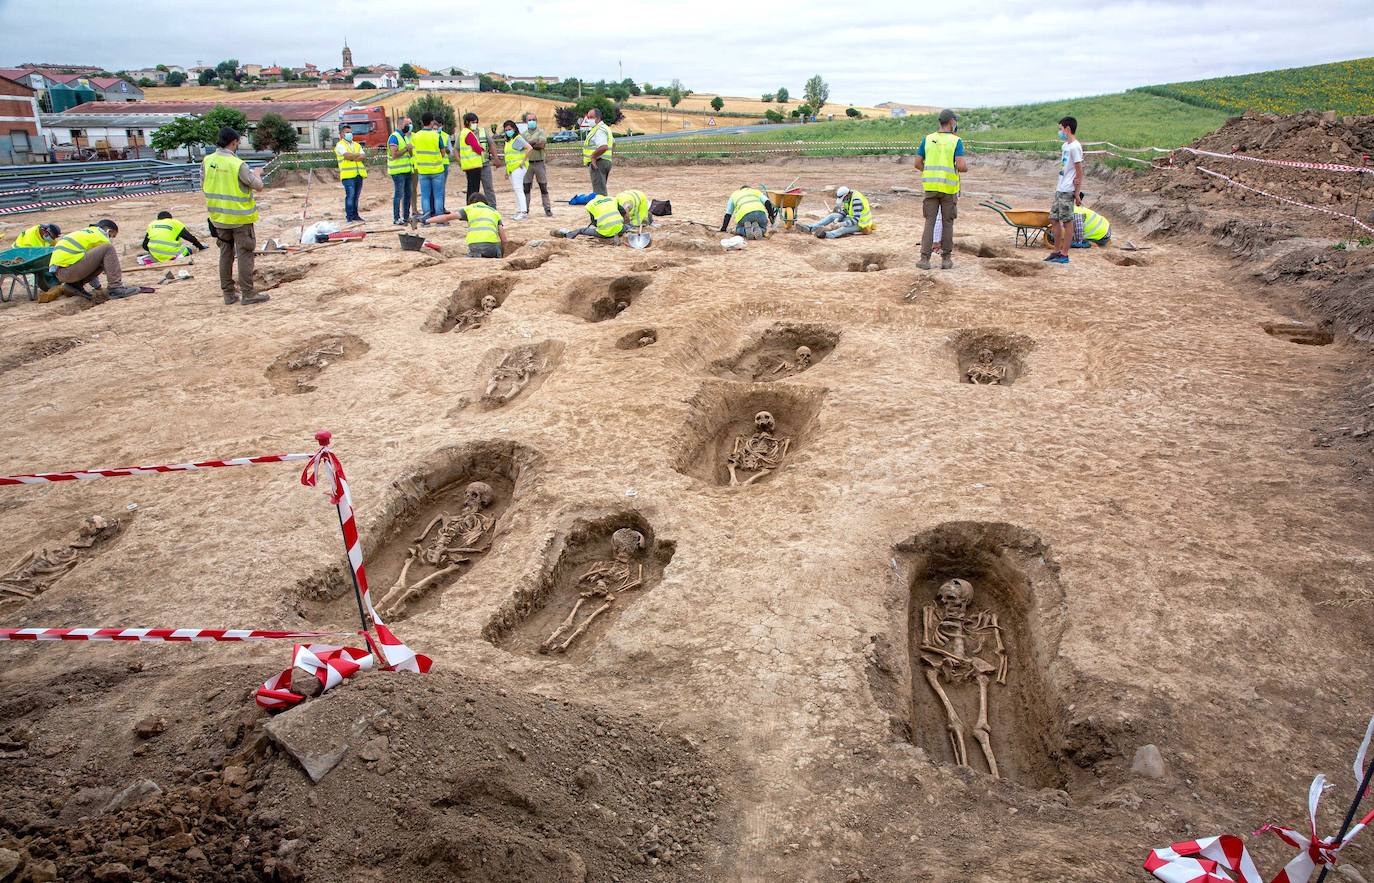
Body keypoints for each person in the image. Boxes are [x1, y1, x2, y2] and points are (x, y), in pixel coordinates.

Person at [203, 126, 268, 305]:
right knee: (245, 253)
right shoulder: (237, 164)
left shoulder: (207, 160)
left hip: (218, 217)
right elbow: (258, 185)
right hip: (240, 218)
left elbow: (204, 183)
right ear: (233, 142)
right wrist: (257, 174)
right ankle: (248, 293)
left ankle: (228, 294)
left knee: (225, 254)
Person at [915, 109, 968, 270]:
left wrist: (930, 172)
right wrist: (964, 168)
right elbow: (961, 166)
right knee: (947, 223)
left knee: (929, 223)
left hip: (930, 187)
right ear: (952, 122)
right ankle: (946, 259)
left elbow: (917, 163)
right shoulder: (955, 141)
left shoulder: (928, 139)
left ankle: (924, 259)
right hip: (948, 189)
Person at [46, 219, 138, 300]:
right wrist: (99, 287)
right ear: (108, 231)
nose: (111, 238)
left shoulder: (88, 233)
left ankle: (74, 285)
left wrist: (97, 287)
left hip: (61, 272)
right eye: (112, 236)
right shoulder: (100, 237)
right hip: (68, 270)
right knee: (108, 249)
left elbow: (90, 263)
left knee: (103, 256)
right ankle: (116, 287)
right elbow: (95, 262)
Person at [424, 193, 508, 258]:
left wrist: (426, 220)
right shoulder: (494, 212)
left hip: (475, 247)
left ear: (470, 202)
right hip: (492, 248)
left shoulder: (469, 209)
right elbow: (504, 240)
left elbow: (446, 217)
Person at [1047, 115, 1083, 265]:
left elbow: (1079, 171)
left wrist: (1076, 193)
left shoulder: (1075, 147)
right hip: (1060, 187)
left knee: (1067, 222)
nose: (1059, 132)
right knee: (1053, 219)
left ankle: (1065, 254)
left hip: (1068, 190)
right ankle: (1056, 251)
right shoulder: (1065, 146)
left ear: (1067, 128)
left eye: (1060, 129)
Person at [800, 186, 874, 239]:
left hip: (862, 224)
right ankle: (811, 228)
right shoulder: (848, 197)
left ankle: (826, 235)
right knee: (833, 216)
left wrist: (841, 224)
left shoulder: (856, 200)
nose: (843, 201)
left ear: (847, 195)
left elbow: (856, 220)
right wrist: (838, 218)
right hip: (853, 220)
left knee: (843, 229)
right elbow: (846, 210)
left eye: (843, 199)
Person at [412, 113, 446, 221]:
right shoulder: (436, 135)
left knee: (425, 196)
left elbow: (414, 151)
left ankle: (426, 219)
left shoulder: (416, 136)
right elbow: (443, 153)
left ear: (422, 122)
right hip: (437, 170)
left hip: (423, 170)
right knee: (438, 196)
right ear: (432, 122)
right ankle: (439, 219)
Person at [521, 112, 553, 217]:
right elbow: (522, 146)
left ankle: (547, 208)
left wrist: (528, 144)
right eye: (529, 120)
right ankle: (525, 209)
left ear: (536, 121)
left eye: (533, 119)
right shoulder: (523, 134)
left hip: (539, 162)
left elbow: (542, 145)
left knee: (543, 186)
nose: (531, 122)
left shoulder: (541, 132)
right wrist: (534, 142)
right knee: (526, 187)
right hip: (527, 163)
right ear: (526, 122)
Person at [141, 210, 207, 262]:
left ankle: (155, 258)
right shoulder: (174, 222)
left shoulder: (152, 224)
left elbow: (144, 244)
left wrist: (153, 252)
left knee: (157, 256)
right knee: (190, 249)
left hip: (155, 254)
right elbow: (190, 238)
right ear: (171, 218)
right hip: (172, 253)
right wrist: (200, 247)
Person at [335, 123, 367, 223]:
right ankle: (349, 217)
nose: (350, 134)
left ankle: (355, 215)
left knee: (356, 197)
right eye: (347, 132)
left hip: (358, 174)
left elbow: (363, 156)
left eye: (350, 132)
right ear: (341, 134)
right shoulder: (340, 145)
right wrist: (356, 156)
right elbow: (347, 156)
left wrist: (353, 156)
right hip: (348, 176)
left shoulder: (356, 145)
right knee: (350, 196)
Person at [501, 119, 531, 221]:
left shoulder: (518, 138)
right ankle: (519, 211)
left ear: (514, 129)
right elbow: (508, 157)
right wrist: (506, 170)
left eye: (509, 129)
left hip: (519, 167)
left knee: (518, 189)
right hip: (511, 168)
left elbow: (529, 148)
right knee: (516, 189)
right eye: (506, 130)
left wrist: (523, 161)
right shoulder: (508, 141)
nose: (508, 131)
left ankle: (523, 212)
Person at [387, 115, 414, 225]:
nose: (410, 126)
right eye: (408, 124)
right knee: (399, 195)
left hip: (407, 170)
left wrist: (409, 150)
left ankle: (406, 217)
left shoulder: (405, 137)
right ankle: (396, 217)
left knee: (408, 194)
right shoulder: (394, 137)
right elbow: (394, 154)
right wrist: (406, 149)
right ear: (401, 124)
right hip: (397, 172)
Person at [583, 107, 614, 195]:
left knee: (599, 193)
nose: (588, 120)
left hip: (598, 162)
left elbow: (603, 147)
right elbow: (613, 144)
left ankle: (603, 207)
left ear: (598, 118)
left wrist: (593, 157)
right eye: (588, 117)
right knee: (601, 189)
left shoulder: (599, 130)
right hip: (605, 161)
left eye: (591, 117)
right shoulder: (606, 128)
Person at [458, 112, 487, 203]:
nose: (475, 124)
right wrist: (481, 149)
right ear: (467, 122)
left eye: (476, 122)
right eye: (473, 122)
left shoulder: (463, 133)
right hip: (474, 165)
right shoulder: (469, 133)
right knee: (474, 190)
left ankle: (469, 207)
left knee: (470, 188)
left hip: (468, 165)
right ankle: (472, 207)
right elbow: (476, 148)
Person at [478, 120, 499, 208]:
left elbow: (491, 144)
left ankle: (492, 207)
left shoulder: (483, 132)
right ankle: (472, 208)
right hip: (472, 166)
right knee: (473, 189)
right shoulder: (464, 133)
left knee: (488, 187)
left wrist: (496, 158)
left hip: (484, 164)